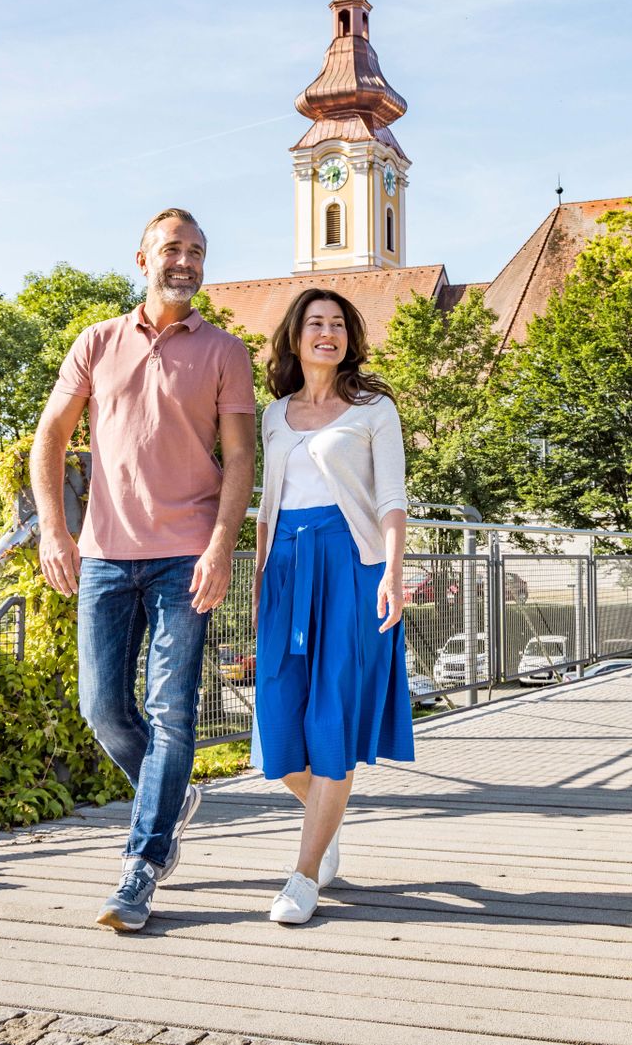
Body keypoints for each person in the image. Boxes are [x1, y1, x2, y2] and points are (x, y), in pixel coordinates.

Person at [29, 207, 256, 932]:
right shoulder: (96, 342)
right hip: (101, 553)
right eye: (171, 249)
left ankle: (140, 866)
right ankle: (172, 796)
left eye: (196, 250)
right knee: (101, 708)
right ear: (142, 259)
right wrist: (56, 534)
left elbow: (241, 458)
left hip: (185, 552)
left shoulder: (225, 351)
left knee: (171, 710)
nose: (184, 260)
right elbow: (49, 439)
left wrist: (221, 545)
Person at [252, 288, 415, 925]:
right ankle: (326, 820)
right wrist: (262, 574)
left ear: (350, 338)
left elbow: (391, 498)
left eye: (339, 325)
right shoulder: (272, 414)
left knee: (332, 721)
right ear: (296, 336)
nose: (329, 333)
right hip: (285, 568)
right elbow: (266, 500)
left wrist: (393, 571)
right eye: (316, 323)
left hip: (352, 564)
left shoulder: (374, 409)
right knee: (276, 727)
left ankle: (303, 873)